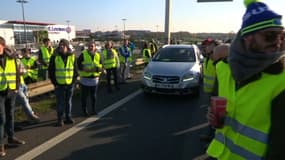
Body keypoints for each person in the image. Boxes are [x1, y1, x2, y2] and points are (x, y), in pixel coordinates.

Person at [207, 0, 285, 159]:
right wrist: (213, 117)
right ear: (248, 38)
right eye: (270, 36)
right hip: (217, 154)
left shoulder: (281, 83)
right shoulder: (224, 69)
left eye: (282, 35)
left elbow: (279, 150)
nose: (277, 42)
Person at [0, 37, 26, 157]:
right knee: (1, 119)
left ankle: (11, 137)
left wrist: (16, 87)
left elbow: (16, 73)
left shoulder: (12, 57)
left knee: (10, 115)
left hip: (11, 91)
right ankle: (1, 145)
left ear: (3, 46)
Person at [48, 39, 78, 127]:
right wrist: (55, 83)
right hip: (59, 84)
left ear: (67, 46)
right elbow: (51, 71)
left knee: (68, 101)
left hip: (69, 84)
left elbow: (75, 71)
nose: (61, 47)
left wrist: (73, 82)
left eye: (63, 45)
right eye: (60, 45)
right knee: (60, 102)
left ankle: (68, 117)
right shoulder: (54, 57)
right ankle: (60, 119)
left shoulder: (72, 56)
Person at [77, 41, 102, 116]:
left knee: (93, 96)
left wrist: (97, 69)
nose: (91, 47)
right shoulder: (83, 54)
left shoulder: (98, 55)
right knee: (84, 96)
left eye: (92, 46)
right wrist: (84, 69)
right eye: (89, 46)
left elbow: (101, 65)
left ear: (95, 47)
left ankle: (93, 110)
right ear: (87, 47)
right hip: (85, 79)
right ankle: (84, 110)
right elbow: (78, 64)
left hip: (94, 79)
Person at [17, 56, 40, 123]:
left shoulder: (18, 60)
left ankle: (29, 119)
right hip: (15, 86)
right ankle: (32, 114)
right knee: (24, 100)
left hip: (22, 84)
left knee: (26, 101)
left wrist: (22, 71)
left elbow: (24, 70)